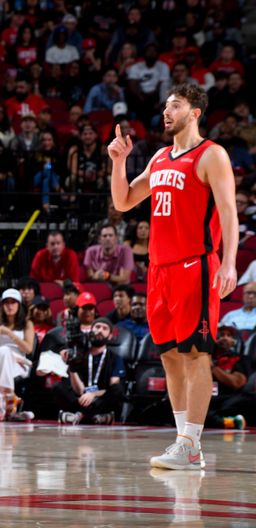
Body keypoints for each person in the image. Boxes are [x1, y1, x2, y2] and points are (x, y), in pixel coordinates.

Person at [108, 83, 237, 469]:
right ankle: (184, 442)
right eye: (166, 106)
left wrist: (229, 262)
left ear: (195, 112)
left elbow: (229, 212)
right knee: (168, 356)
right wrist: (118, 162)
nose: (167, 112)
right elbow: (124, 201)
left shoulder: (212, 154)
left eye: (176, 105)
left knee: (196, 355)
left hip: (195, 265)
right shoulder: (162, 156)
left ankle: (191, 440)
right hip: (160, 270)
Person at [55, 317, 125, 425]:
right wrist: (71, 366)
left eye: (104, 328)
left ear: (110, 336)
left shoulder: (115, 358)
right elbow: (78, 390)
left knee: (118, 389)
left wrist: (93, 394)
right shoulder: (79, 353)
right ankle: (98, 417)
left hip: (100, 398)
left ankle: (78, 416)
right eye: (97, 327)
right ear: (90, 331)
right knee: (58, 387)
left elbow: (113, 386)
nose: (100, 330)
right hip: (80, 398)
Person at [0, 289, 35, 398]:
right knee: (4, 352)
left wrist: (10, 333)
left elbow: (28, 349)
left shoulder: (27, 324)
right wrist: (8, 355)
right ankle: (9, 395)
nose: (10, 306)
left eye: (13, 302)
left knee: (3, 353)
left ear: (19, 305)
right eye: (6, 302)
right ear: (2, 305)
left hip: (19, 363)